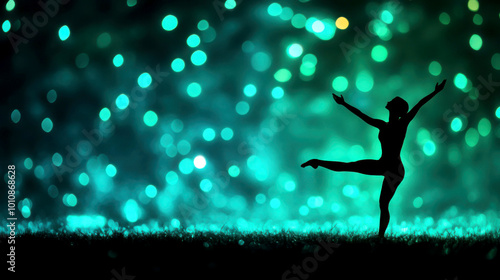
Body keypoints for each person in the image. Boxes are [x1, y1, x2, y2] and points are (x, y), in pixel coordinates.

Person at [301, 80, 447, 238]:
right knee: (350, 166)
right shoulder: (382, 125)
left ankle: (381, 238)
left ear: (396, 109)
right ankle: (317, 162)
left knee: (383, 203)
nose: (388, 101)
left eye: (392, 102)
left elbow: (419, 104)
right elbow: (362, 116)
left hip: (394, 169)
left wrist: (436, 92)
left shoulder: (402, 124)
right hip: (383, 164)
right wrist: (344, 104)